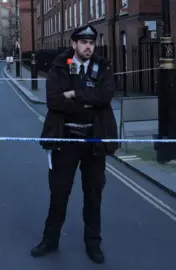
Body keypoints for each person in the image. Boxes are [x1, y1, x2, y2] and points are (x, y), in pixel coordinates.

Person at [31, 25, 118, 264]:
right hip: (65, 139)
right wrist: (86, 101)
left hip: (94, 141)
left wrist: (73, 94)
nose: (88, 46)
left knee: (93, 195)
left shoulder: (104, 67)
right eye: (83, 42)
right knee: (59, 194)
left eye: (91, 42)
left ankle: (93, 244)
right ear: (74, 45)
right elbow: (54, 102)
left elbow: (105, 97)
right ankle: (50, 240)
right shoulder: (59, 66)